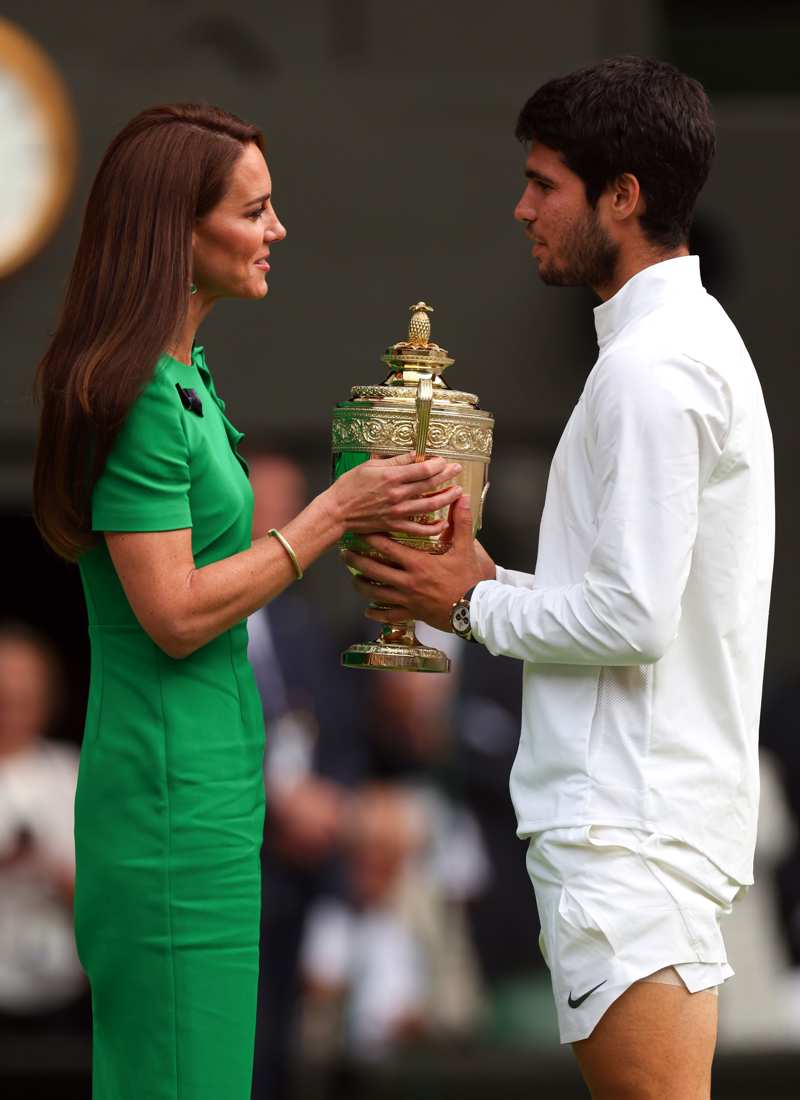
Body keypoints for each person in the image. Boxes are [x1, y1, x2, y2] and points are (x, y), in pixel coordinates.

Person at [343, 57, 775, 1099]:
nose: (520, 206)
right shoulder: (670, 348)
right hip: (633, 825)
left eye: (545, 184)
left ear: (620, 197)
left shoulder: (650, 367)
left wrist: (463, 599)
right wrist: (485, 573)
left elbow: (629, 615)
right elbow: (627, 593)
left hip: (622, 835)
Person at [31, 103, 464, 1100]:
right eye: (254, 209)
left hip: (212, 792)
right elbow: (174, 611)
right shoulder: (136, 388)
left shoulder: (186, 372)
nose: (277, 229)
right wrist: (328, 513)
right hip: (167, 798)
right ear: (177, 228)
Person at [0, 623, 87, 1031]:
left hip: (62, 998)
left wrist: (55, 875)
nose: (11, 708)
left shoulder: (73, 775)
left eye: (23, 697)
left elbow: (111, 897)